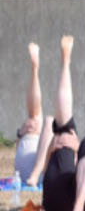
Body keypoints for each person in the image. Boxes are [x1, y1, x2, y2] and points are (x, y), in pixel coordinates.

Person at [31, 34, 85, 211]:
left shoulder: (84, 154)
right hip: (64, 199)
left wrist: (79, 147)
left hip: (77, 200)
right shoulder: (67, 149)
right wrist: (54, 147)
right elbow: (45, 169)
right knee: (65, 136)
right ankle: (66, 62)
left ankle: (66, 63)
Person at [14, 36, 44, 186]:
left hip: (25, 169)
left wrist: (22, 133)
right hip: (31, 170)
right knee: (36, 119)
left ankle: (35, 69)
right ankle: (35, 69)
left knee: (35, 118)